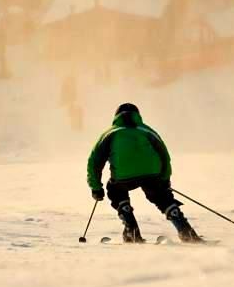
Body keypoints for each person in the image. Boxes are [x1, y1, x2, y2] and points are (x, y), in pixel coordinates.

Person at [87, 103, 203, 243]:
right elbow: (164, 156)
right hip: (152, 173)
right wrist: (164, 180)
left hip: (123, 176)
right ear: (138, 115)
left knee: (115, 190)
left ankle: (131, 230)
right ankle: (186, 232)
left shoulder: (110, 133)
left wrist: (96, 188)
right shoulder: (147, 131)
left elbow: (95, 162)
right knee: (162, 197)